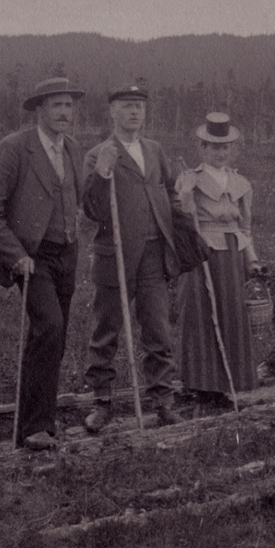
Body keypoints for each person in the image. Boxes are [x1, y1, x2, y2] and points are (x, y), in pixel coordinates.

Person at [0, 77, 85, 450]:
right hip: (31, 259)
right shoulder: (14, 148)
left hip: (66, 255)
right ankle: (34, 427)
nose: (64, 113)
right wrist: (16, 254)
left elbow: (85, 202)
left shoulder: (72, 148)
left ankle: (41, 422)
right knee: (49, 327)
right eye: (56, 105)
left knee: (56, 337)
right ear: (39, 110)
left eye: (69, 105)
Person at [81, 83, 189, 431]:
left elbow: (168, 192)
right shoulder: (98, 153)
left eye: (139, 106)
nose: (134, 112)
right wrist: (102, 173)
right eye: (126, 106)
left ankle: (164, 401)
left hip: (154, 255)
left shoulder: (155, 150)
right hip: (116, 255)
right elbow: (93, 208)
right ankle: (102, 402)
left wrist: (181, 216)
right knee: (107, 329)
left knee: (158, 328)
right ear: (112, 112)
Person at [174, 113, 260, 408]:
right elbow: (184, 220)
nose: (220, 153)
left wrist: (252, 261)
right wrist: (185, 194)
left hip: (232, 254)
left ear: (232, 149)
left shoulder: (241, 183)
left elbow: (245, 227)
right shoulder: (192, 179)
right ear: (202, 148)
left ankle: (226, 385)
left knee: (230, 316)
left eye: (225, 147)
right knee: (201, 318)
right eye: (213, 147)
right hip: (201, 254)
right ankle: (202, 387)